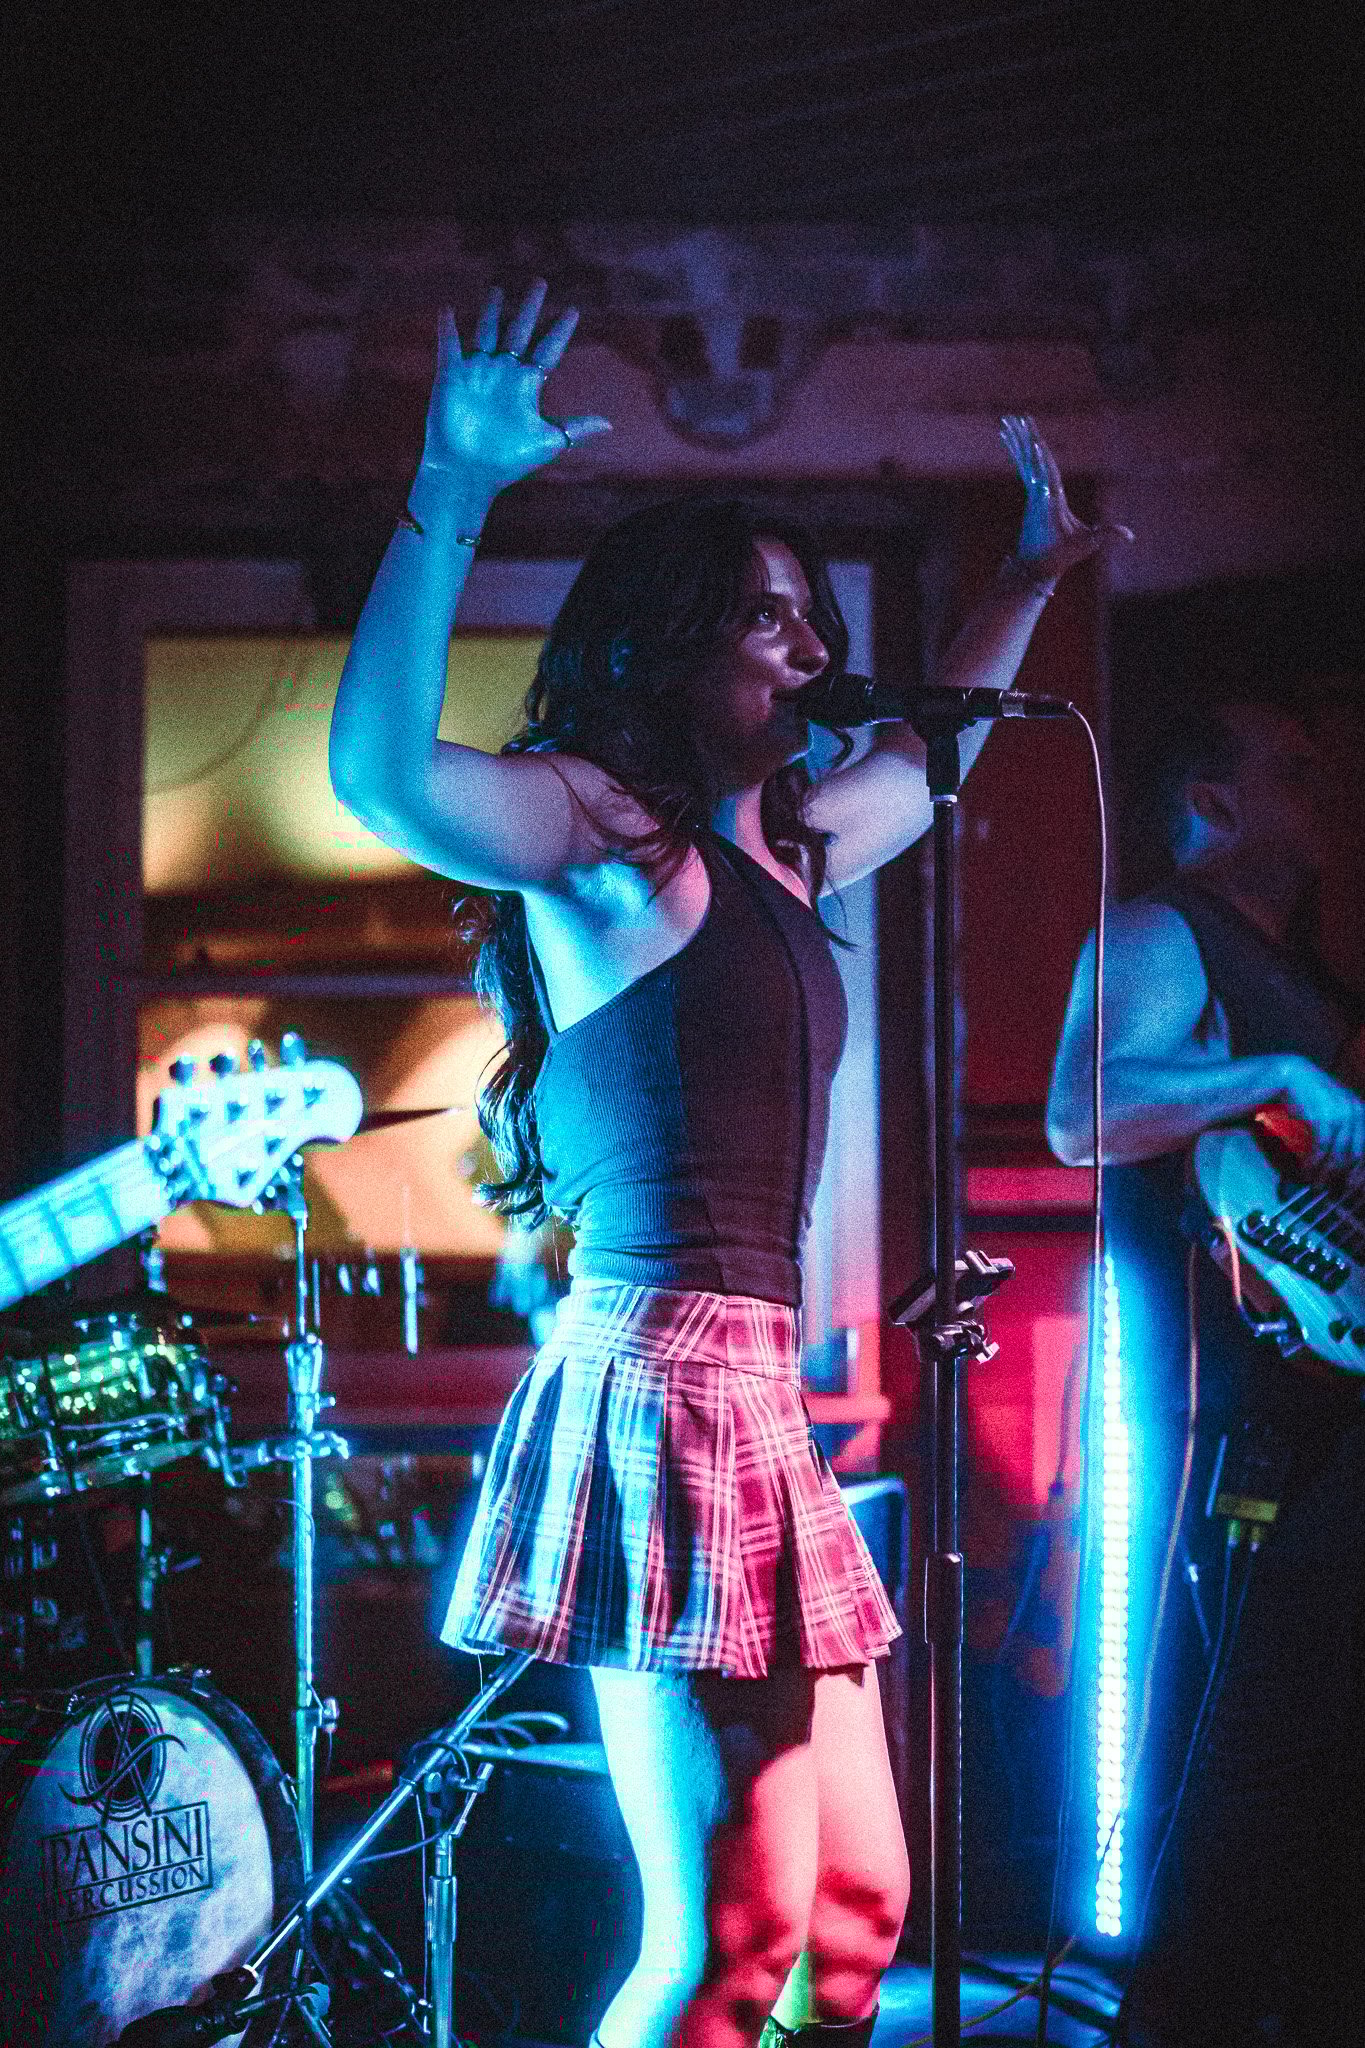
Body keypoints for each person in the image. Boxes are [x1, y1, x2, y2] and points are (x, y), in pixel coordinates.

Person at [330, 279, 1120, 2048]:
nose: (797, 641)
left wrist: (1025, 578)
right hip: (663, 1390)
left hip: (763, 1400)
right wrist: (453, 481)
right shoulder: (605, 836)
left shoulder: (791, 855)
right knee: (730, 1944)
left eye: (809, 617)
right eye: (756, 616)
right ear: (667, 642)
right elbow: (381, 778)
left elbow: (935, 759)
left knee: (855, 1928)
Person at [1048, 697, 1365, 2046]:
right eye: (1293, 768)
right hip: (1238, 1439)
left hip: (1318, 1417)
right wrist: (1279, 1067)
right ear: (1216, 802)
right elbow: (1082, 1114)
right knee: (1243, 1796)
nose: (1326, 790)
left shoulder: (1312, 969)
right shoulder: (1167, 933)